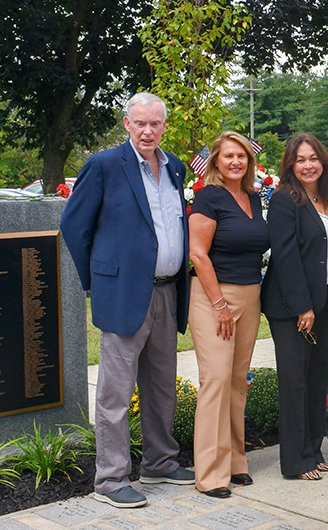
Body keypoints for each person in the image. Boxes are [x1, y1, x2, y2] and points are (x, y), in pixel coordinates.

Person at [61, 92, 195, 508]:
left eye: (156, 124)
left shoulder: (174, 167)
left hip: (168, 290)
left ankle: (159, 461)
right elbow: (73, 227)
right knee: (116, 395)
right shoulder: (103, 166)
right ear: (127, 124)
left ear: (164, 126)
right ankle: (111, 478)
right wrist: (98, 281)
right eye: (141, 123)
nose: (148, 131)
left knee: (161, 388)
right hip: (122, 295)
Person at [187, 131, 270, 498]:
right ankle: (210, 473)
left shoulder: (252, 196)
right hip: (212, 298)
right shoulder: (208, 198)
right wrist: (219, 303)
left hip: (250, 295)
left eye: (241, 156)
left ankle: (236, 461)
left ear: (249, 161)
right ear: (216, 162)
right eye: (228, 156)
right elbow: (198, 254)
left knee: (238, 382)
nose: (235, 161)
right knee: (217, 381)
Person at [262, 133, 328, 481]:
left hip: (322, 302)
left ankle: (312, 448)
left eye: (313, 158)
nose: (308, 165)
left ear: (323, 161)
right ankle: (295, 462)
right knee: (295, 381)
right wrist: (303, 307)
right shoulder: (285, 200)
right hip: (292, 306)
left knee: (314, 378)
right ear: (290, 165)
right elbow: (285, 256)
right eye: (300, 159)